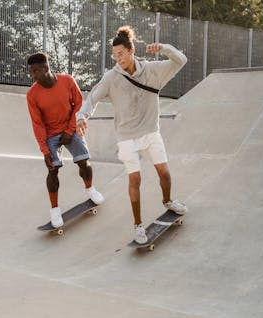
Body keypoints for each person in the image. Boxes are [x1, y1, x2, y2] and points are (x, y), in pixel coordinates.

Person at [76, 26, 188, 244]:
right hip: (126, 136)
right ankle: (138, 225)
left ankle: (167, 201)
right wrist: (82, 116)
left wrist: (164, 48)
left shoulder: (153, 70)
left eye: (121, 54)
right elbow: (93, 97)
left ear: (131, 50)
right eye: (115, 55)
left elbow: (180, 60)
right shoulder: (111, 77)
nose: (118, 59)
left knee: (164, 173)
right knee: (134, 178)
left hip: (150, 132)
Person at [26, 52, 104, 228]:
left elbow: (78, 104)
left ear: (46, 68)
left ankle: (90, 189)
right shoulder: (32, 94)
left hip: (70, 127)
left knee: (84, 162)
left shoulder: (68, 81)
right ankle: (55, 210)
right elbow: (37, 123)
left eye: (36, 71)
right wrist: (45, 150)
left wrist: (70, 130)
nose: (33, 76)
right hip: (50, 135)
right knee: (53, 170)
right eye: (31, 72)